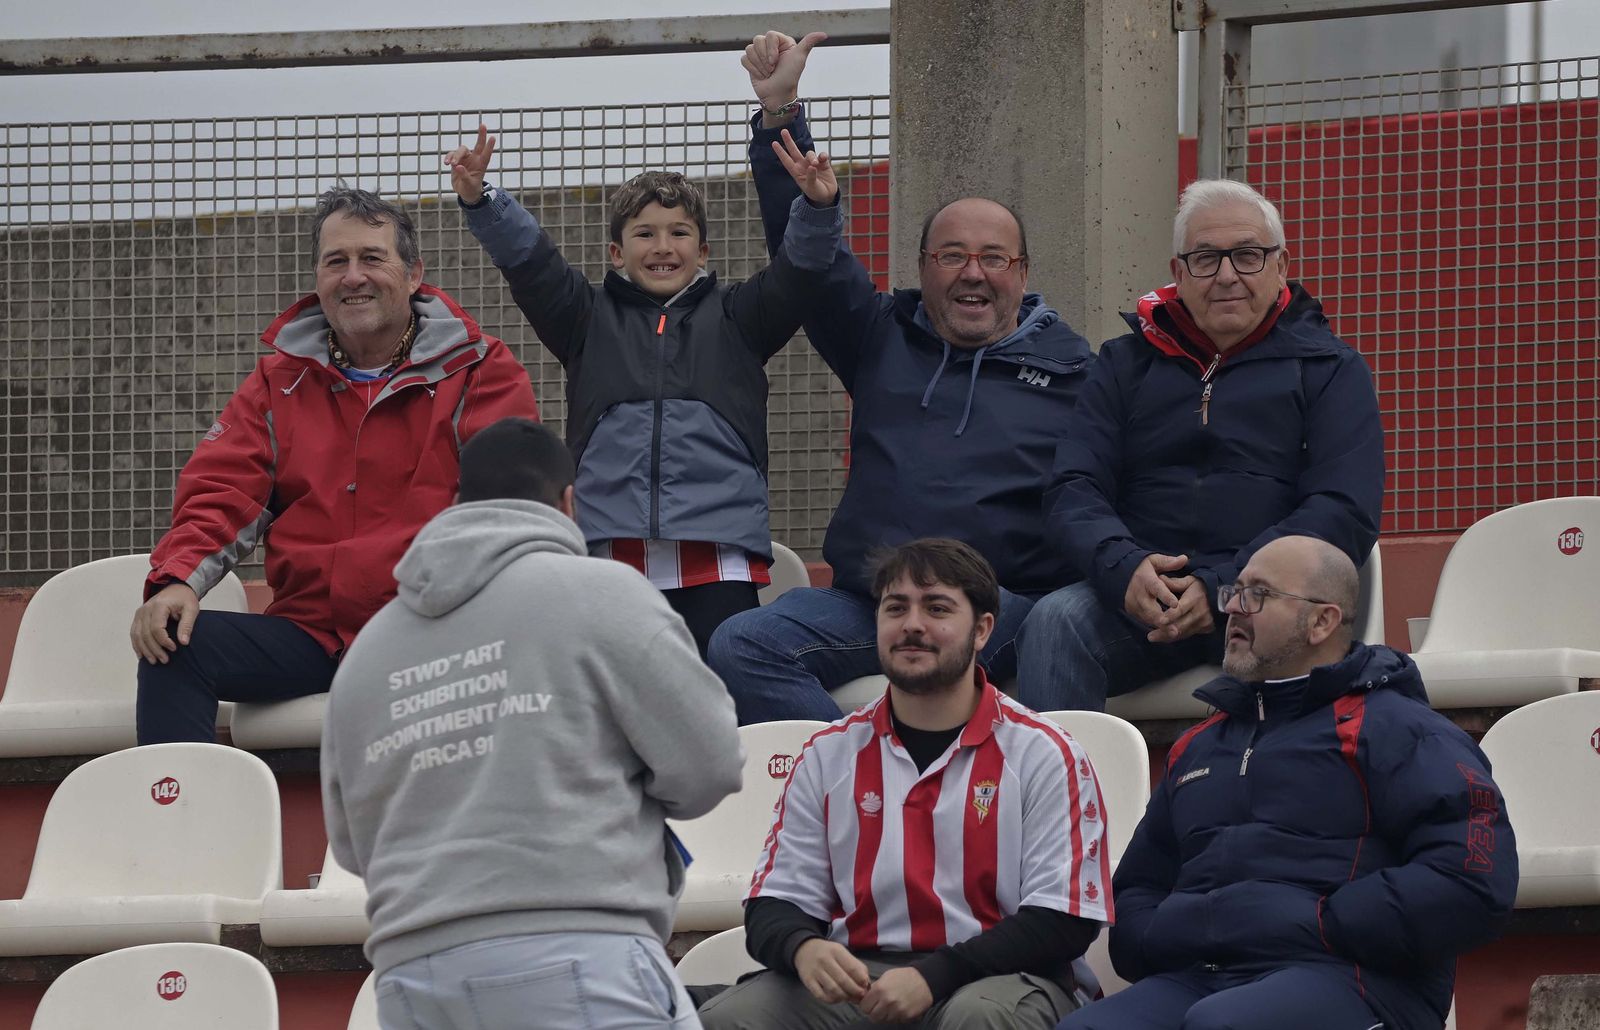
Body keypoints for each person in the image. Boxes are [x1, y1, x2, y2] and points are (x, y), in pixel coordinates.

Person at [709, 31, 1094, 723]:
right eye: (951, 255)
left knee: (1059, 629)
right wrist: (779, 113)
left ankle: (1025, 808)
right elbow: (814, 260)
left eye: (992, 257)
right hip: (872, 604)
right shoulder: (879, 335)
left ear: (1023, 274)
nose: (972, 272)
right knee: (743, 644)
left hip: (1005, 611)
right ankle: (868, 786)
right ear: (921, 269)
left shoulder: (1079, 373)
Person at [321, 416, 743, 1029]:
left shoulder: (368, 650)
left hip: (411, 976)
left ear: (456, 502)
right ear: (569, 501)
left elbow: (351, 845)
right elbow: (710, 762)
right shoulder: (603, 594)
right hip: (576, 948)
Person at [131, 184, 538, 745]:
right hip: (311, 632)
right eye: (336, 261)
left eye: (372, 258)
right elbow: (224, 488)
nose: (354, 276)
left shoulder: (480, 369)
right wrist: (178, 579)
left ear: (413, 273)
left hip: (429, 631)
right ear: (318, 277)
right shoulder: (278, 380)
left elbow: (509, 504)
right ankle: (170, 823)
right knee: (174, 641)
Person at [1060, 535, 1517, 1030]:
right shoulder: (1199, 744)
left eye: (1258, 594)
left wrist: (1328, 924)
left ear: (1322, 621)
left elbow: (1471, 876)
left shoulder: (1399, 730)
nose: (1233, 606)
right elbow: (1139, 885)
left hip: (1357, 979)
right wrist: (1154, 937)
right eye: (1233, 591)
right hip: (1200, 976)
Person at [445, 118, 843, 656]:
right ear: (617, 253)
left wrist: (818, 209)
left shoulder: (740, 317)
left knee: (719, 695)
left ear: (702, 251)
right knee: (613, 705)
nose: (663, 246)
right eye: (645, 233)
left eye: (679, 233)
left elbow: (800, 271)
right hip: (609, 555)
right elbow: (530, 262)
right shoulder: (582, 317)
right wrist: (483, 200)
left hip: (718, 558)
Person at [698, 538, 1111, 1030]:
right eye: (895, 608)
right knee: (730, 1018)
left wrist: (935, 976)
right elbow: (775, 900)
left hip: (1002, 978)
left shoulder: (1045, 752)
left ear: (982, 630)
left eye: (937, 608)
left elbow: (1063, 920)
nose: (912, 624)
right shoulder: (829, 752)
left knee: (977, 1018)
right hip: (863, 980)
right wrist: (801, 947)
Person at [1015, 178, 1385, 713]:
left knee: (1295, 638)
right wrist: (1124, 570)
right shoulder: (1124, 363)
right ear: (1179, 273)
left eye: (1248, 256)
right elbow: (1073, 486)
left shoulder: (1330, 369)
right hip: (1140, 599)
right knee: (1053, 623)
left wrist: (1224, 589)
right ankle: (1070, 797)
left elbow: (1342, 511)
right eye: (1206, 258)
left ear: (1281, 266)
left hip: (1264, 598)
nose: (1228, 275)